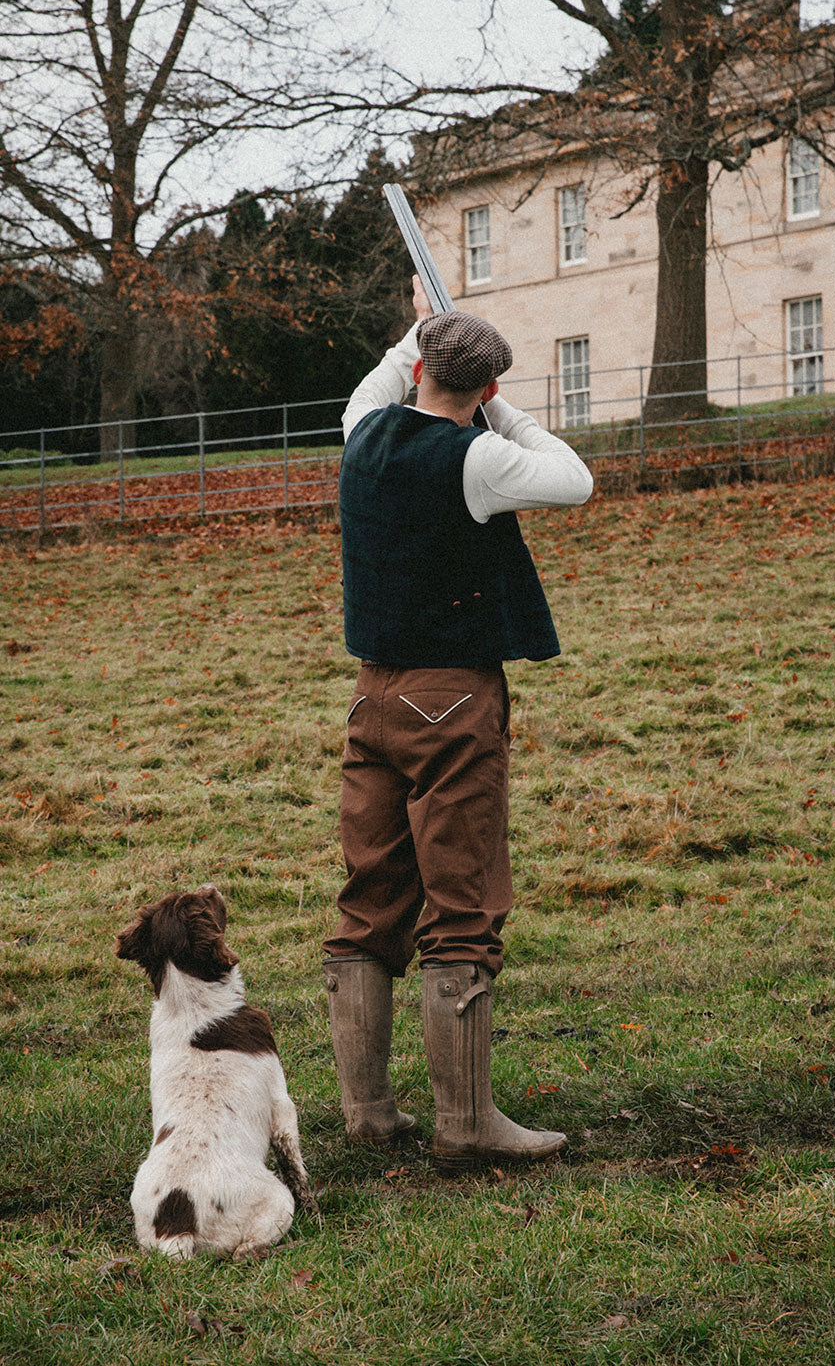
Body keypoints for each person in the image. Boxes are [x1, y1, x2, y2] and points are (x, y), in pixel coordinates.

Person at [322, 277, 593, 1171]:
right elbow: (575, 479)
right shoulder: (480, 458)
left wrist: (421, 328)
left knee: (367, 906)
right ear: (481, 388)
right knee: (462, 908)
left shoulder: (361, 429)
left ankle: (367, 1113)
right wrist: (502, 412)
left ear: (417, 367)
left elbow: (387, 370)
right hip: (452, 701)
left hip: (371, 696)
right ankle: (466, 1125)